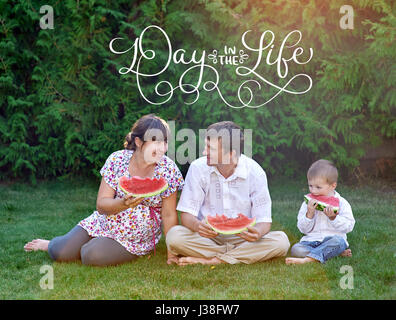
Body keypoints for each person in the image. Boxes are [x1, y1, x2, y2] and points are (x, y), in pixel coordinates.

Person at [24, 114, 184, 266]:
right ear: (138, 142)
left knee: (90, 255)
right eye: (156, 142)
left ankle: (93, 246)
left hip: (136, 238)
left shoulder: (168, 170)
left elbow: (169, 214)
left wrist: (172, 253)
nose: (163, 148)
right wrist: (123, 203)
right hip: (104, 222)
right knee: (60, 252)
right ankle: (50, 243)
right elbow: (101, 205)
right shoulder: (117, 160)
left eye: (165, 142)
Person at [166, 121, 290, 266]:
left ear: (231, 154)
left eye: (210, 149)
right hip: (208, 237)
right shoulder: (198, 168)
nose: (204, 152)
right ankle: (238, 255)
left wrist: (258, 232)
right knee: (174, 236)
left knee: (281, 241)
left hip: (242, 238)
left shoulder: (255, 172)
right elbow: (187, 215)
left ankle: (214, 260)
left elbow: (264, 220)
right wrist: (197, 226)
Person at [285, 159, 355, 265]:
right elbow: (302, 229)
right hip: (311, 241)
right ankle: (331, 253)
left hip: (332, 240)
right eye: (310, 186)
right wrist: (309, 214)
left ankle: (308, 260)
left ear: (333, 186)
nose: (313, 191)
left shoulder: (342, 203)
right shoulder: (307, 204)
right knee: (296, 249)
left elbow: (349, 227)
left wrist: (334, 218)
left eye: (318, 187)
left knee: (339, 242)